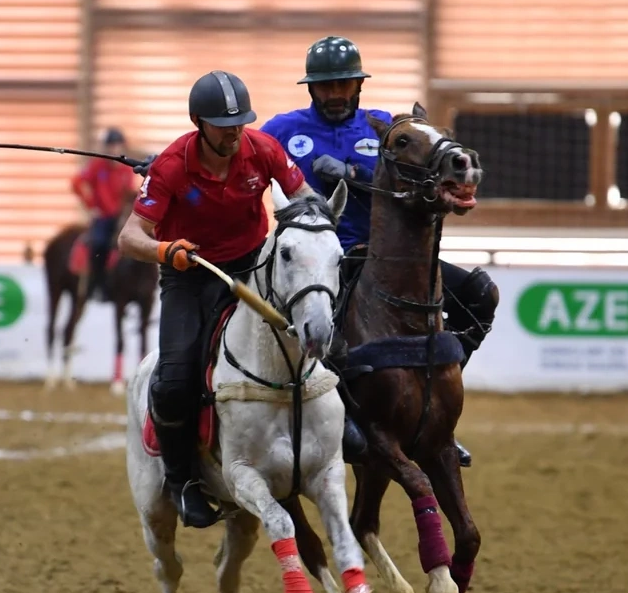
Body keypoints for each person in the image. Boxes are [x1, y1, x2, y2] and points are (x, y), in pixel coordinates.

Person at [260, 35, 498, 468]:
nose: (335, 94)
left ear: (358, 86)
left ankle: (439, 403)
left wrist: (352, 172)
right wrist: (170, 163)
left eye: (344, 85)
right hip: (330, 257)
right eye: (326, 86)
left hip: (394, 257)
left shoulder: (387, 128)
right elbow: (240, 157)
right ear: (312, 89)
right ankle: (345, 420)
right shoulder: (282, 129)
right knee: (325, 339)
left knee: (481, 294)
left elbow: (422, 175)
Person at [117, 70, 313, 528]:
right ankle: (182, 480)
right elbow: (130, 237)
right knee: (176, 378)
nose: (234, 133)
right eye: (224, 126)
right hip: (191, 275)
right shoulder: (170, 167)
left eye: (240, 123)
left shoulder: (262, 149)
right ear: (198, 123)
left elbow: (303, 196)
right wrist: (166, 250)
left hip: (252, 268)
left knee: (314, 336)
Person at [70, 127, 137, 301]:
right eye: (111, 145)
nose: (114, 149)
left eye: (117, 145)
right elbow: (77, 182)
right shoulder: (97, 166)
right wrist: (91, 205)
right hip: (102, 217)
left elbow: (129, 193)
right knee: (99, 245)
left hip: (120, 217)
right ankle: (97, 284)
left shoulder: (126, 168)